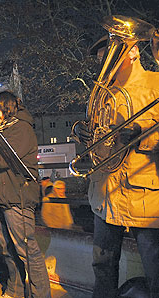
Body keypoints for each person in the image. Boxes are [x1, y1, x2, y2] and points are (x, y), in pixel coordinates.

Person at [74, 41, 159, 297]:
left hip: (144, 195)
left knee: (156, 271)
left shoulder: (156, 84)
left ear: (133, 52)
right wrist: (81, 132)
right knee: (102, 268)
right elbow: (98, 139)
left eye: (111, 56)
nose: (105, 64)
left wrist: (140, 134)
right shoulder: (103, 93)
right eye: (103, 58)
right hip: (105, 195)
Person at [0, 91, 51, 298]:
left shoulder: (21, 128)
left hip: (18, 197)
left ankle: (40, 295)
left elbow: (0, 160)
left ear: (6, 107)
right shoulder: (4, 129)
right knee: (8, 251)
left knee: (27, 252)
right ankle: (15, 291)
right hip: (3, 196)